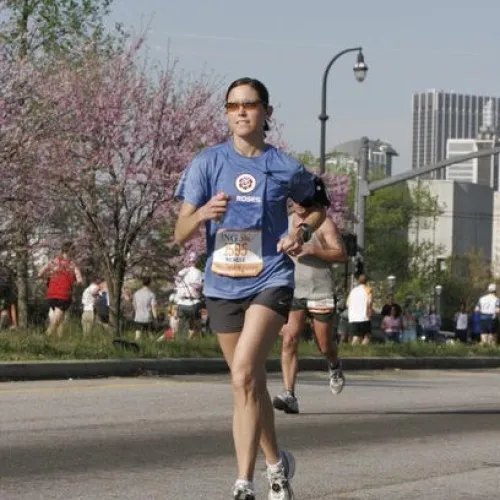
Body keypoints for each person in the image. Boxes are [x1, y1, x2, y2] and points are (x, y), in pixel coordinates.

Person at [174, 77, 329, 500]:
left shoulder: (284, 166)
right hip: (222, 283)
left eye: (249, 104)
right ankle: (277, 465)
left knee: (243, 372)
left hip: (270, 278)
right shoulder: (207, 163)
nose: (240, 112)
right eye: (232, 106)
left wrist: (299, 228)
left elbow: (317, 207)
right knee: (251, 384)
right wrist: (204, 211)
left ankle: (243, 484)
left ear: (266, 113)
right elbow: (180, 231)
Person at [272, 203, 347, 415]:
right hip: (292, 288)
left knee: (324, 345)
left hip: (319, 290)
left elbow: (341, 254)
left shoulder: (323, 223)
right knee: (289, 339)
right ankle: (289, 394)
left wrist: (311, 249)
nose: (298, 203)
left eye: (303, 198)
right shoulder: (283, 223)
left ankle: (334, 365)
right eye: (294, 199)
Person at [38, 242, 82, 337]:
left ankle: (59, 341)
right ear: (71, 251)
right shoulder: (72, 265)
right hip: (64, 294)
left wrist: (49, 277)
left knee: (60, 319)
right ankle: (45, 337)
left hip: (51, 295)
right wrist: (71, 282)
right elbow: (79, 280)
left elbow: (40, 274)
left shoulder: (53, 262)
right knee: (55, 322)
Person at [174, 251, 204, 340]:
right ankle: (188, 342)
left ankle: (173, 340)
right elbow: (199, 288)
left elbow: (176, 284)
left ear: (189, 261)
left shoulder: (181, 272)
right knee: (194, 326)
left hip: (181, 303)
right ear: (197, 261)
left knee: (178, 327)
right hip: (193, 304)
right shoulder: (199, 273)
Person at [347, 274, 373, 345]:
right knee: (367, 336)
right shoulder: (368, 290)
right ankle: (363, 351)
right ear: (367, 281)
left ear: (358, 281)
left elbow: (348, 304)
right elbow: (369, 302)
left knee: (356, 337)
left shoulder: (353, 291)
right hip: (364, 317)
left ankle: (354, 351)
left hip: (353, 317)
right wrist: (370, 312)